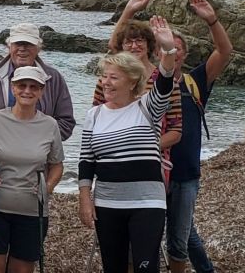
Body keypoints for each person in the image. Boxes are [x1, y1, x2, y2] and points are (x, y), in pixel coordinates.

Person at [77, 17, 181, 273]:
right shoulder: (95, 115)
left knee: (146, 266)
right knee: (114, 267)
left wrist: (168, 50)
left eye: (114, 77)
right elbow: (86, 160)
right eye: (104, 77)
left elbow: (165, 81)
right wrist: (84, 199)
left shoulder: (148, 108)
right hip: (108, 204)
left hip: (147, 203)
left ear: (132, 82)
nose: (106, 82)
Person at [160, 0, 233, 273]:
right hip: (152, 170)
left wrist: (211, 20)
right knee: (172, 232)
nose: (173, 52)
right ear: (159, 51)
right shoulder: (146, 81)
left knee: (179, 238)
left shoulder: (195, 81)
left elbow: (225, 52)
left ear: (184, 55)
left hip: (185, 173)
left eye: (178, 48)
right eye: (168, 47)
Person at [0, 65, 63, 273]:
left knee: (22, 269)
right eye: (22, 85)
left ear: (41, 91)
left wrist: (48, 186)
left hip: (33, 210)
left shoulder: (50, 125)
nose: (27, 91)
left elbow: (56, 165)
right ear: (13, 88)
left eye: (33, 87)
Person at [0, 23, 75, 140]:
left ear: (38, 48)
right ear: (9, 46)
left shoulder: (53, 78)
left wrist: (34, 139)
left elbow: (66, 123)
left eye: (28, 44)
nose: (22, 49)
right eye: (17, 44)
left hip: (39, 154)